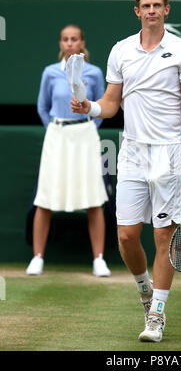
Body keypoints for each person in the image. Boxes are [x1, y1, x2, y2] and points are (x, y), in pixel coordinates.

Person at [71, 0, 181, 342]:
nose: (150, 10)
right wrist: (90, 107)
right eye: (145, 5)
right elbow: (112, 104)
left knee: (164, 236)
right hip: (130, 151)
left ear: (166, 10)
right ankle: (144, 289)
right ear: (137, 11)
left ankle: (157, 315)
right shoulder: (121, 51)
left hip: (170, 152)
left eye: (156, 5)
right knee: (127, 236)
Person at [26, 24, 111, 278]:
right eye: (65, 39)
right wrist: (57, 129)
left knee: (94, 199)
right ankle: (37, 257)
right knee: (45, 198)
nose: (70, 43)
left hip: (85, 135)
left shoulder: (94, 73)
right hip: (57, 135)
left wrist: (86, 128)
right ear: (60, 43)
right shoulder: (50, 72)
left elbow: (100, 106)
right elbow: (43, 107)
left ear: (82, 42)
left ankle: (99, 259)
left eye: (74, 39)